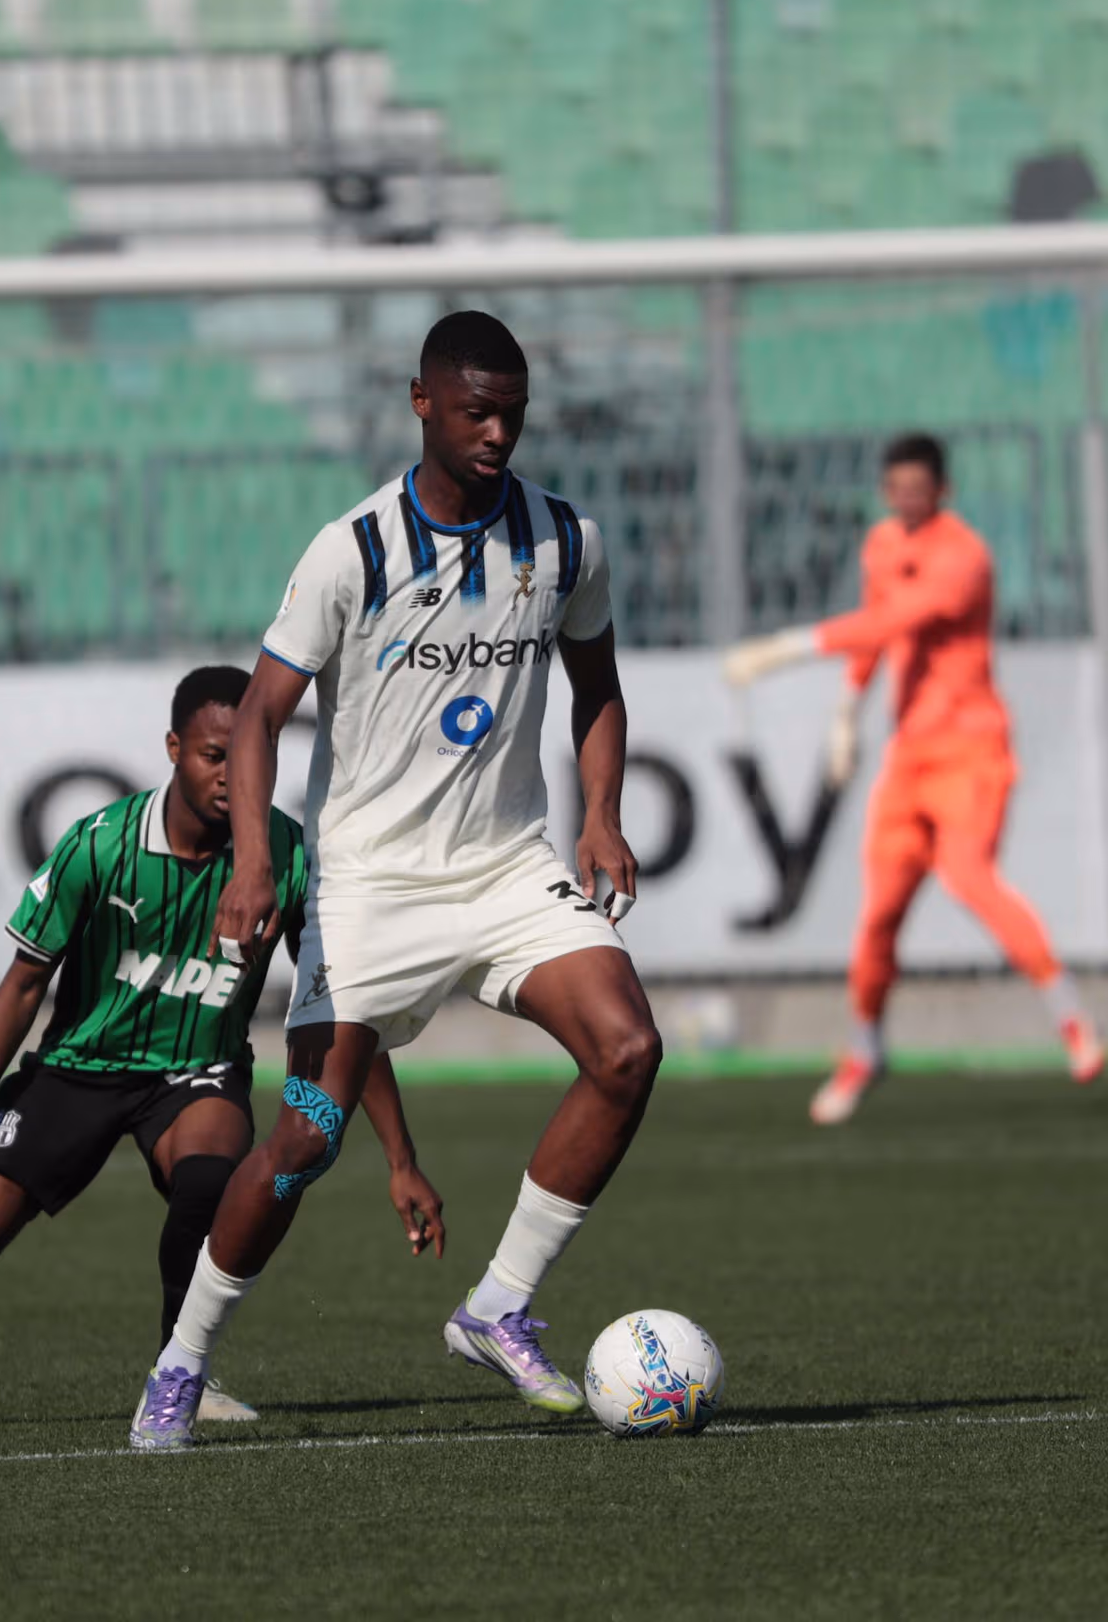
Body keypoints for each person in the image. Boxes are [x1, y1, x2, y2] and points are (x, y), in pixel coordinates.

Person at [128, 309, 663, 1451]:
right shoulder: (353, 549)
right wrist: (261, 859)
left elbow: (598, 685)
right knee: (308, 1139)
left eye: (511, 409)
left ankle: (497, 1306)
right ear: (420, 401)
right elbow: (265, 711)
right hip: (369, 886)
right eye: (474, 409)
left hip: (505, 865)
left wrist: (601, 814)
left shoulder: (565, 539)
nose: (496, 430)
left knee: (626, 1050)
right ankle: (179, 1364)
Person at [0, 666, 345, 1431]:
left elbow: (329, 999)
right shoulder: (99, 846)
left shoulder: (287, 857)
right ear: (173, 748)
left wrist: (358, 1131)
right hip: (75, 1069)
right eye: (212, 754)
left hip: (195, 1070)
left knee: (207, 1190)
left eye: (246, 755)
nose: (232, 776)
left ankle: (179, 1377)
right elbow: (22, 986)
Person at [723, 431, 1105, 1124]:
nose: (904, 501)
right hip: (909, 756)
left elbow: (901, 616)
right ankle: (865, 1047)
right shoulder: (881, 545)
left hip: (971, 747)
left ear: (943, 491)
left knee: (967, 874)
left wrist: (789, 647)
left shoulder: (964, 556)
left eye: (917, 490)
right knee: (877, 919)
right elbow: (879, 635)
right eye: (894, 489)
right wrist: (846, 706)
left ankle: (1072, 1017)